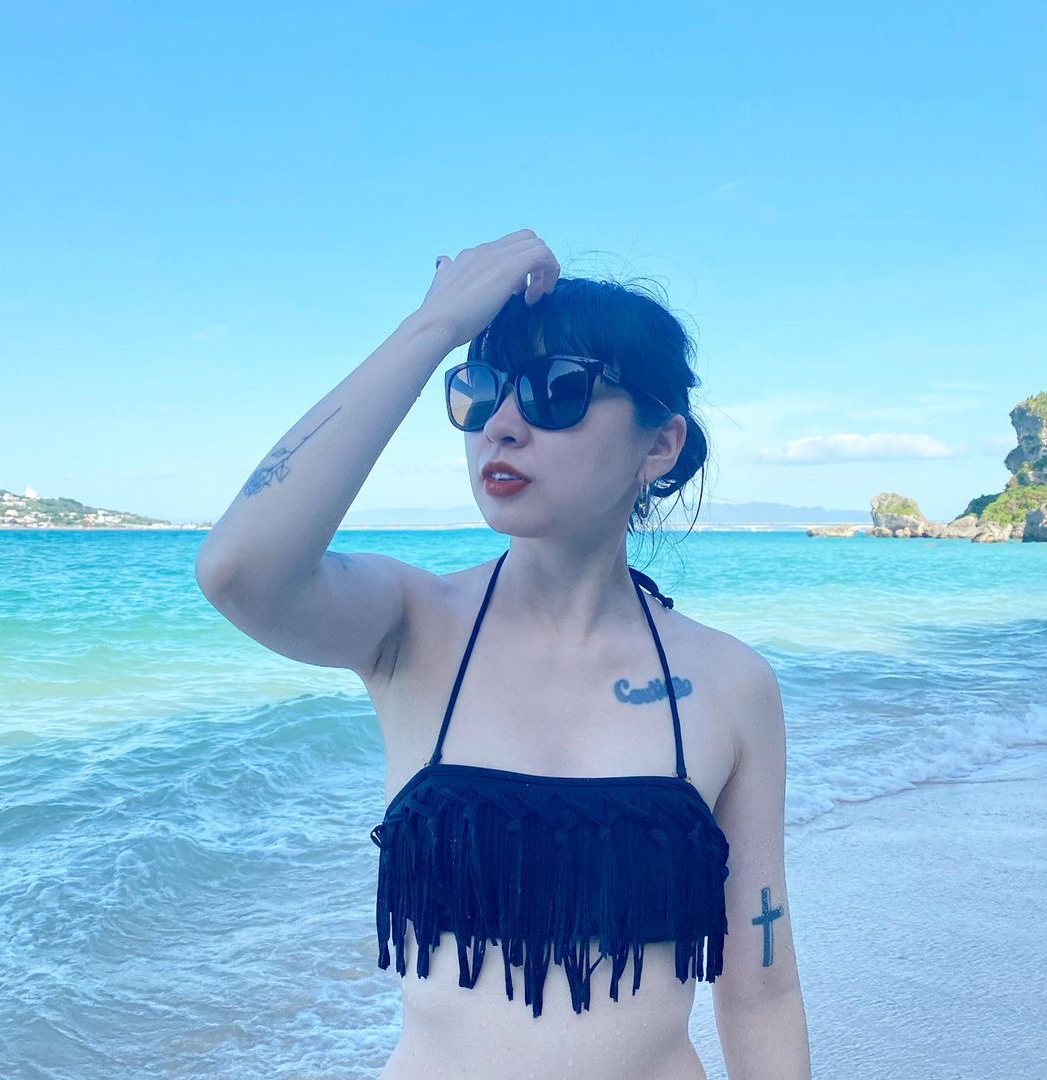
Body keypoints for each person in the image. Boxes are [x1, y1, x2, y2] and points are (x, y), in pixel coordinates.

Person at [195, 229, 811, 1079]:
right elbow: (240, 571)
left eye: (558, 390)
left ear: (659, 446)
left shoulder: (728, 683)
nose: (503, 427)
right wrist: (432, 330)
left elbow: (761, 989)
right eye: (479, 393)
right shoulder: (411, 627)